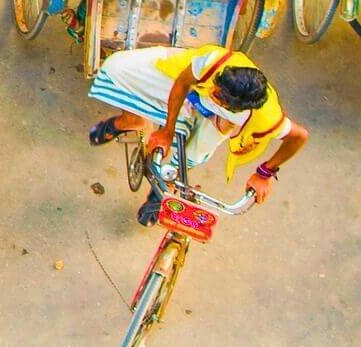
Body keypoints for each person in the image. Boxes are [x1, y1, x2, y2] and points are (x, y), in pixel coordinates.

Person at [87, 44, 309, 226]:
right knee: (118, 66)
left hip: (221, 121)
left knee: (191, 154)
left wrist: (265, 173)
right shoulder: (215, 63)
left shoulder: (267, 118)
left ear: (237, 108)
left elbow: (299, 137)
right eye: (217, 87)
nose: (213, 90)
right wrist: (167, 130)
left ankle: (165, 187)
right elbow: (183, 83)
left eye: (219, 96)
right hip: (189, 89)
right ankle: (132, 120)